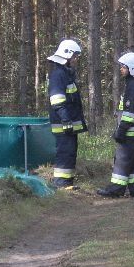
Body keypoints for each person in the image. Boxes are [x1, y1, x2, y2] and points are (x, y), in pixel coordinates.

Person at [97, 52, 134, 198]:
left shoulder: (132, 86)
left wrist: (121, 130)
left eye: (123, 67)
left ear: (131, 68)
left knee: (122, 161)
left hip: (130, 133)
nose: (121, 69)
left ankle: (115, 190)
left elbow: (130, 113)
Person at [47, 39, 86, 188]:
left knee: (70, 152)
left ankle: (67, 183)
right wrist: (66, 120)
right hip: (63, 124)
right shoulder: (58, 75)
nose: (76, 60)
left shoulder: (66, 74)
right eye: (74, 56)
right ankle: (61, 184)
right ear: (66, 56)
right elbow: (57, 100)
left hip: (68, 123)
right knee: (65, 153)